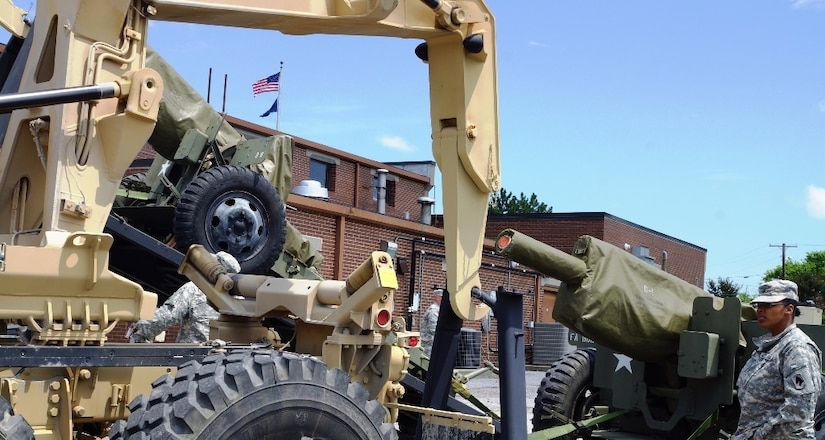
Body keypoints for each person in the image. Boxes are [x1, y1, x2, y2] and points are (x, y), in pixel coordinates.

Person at [734, 279, 822, 439]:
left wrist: (756, 436)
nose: (760, 310)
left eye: (769, 305)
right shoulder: (769, 347)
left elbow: (798, 411)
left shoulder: (797, 348)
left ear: (789, 309)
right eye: (758, 305)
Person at [130, 251, 240, 344]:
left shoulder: (195, 289)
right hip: (223, 363)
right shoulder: (239, 299)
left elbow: (167, 316)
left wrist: (140, 329)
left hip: (192, 361)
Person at [420, 288, 442, 356]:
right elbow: (433, 329)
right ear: (437, 297)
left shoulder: (438, 309)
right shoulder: (433, 310)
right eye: (441, 297)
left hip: (432, 343)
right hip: (429, 344)